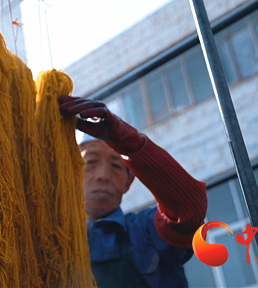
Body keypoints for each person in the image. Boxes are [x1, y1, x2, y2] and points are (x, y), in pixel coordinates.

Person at [58, 95, 208, 288]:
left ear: (129, 182)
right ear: (71, 172)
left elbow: (189, 210)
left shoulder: (145, 231)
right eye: (91, 162)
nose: (103, 175)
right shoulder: (55, 241)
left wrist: (128, 142)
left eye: (116, 165)